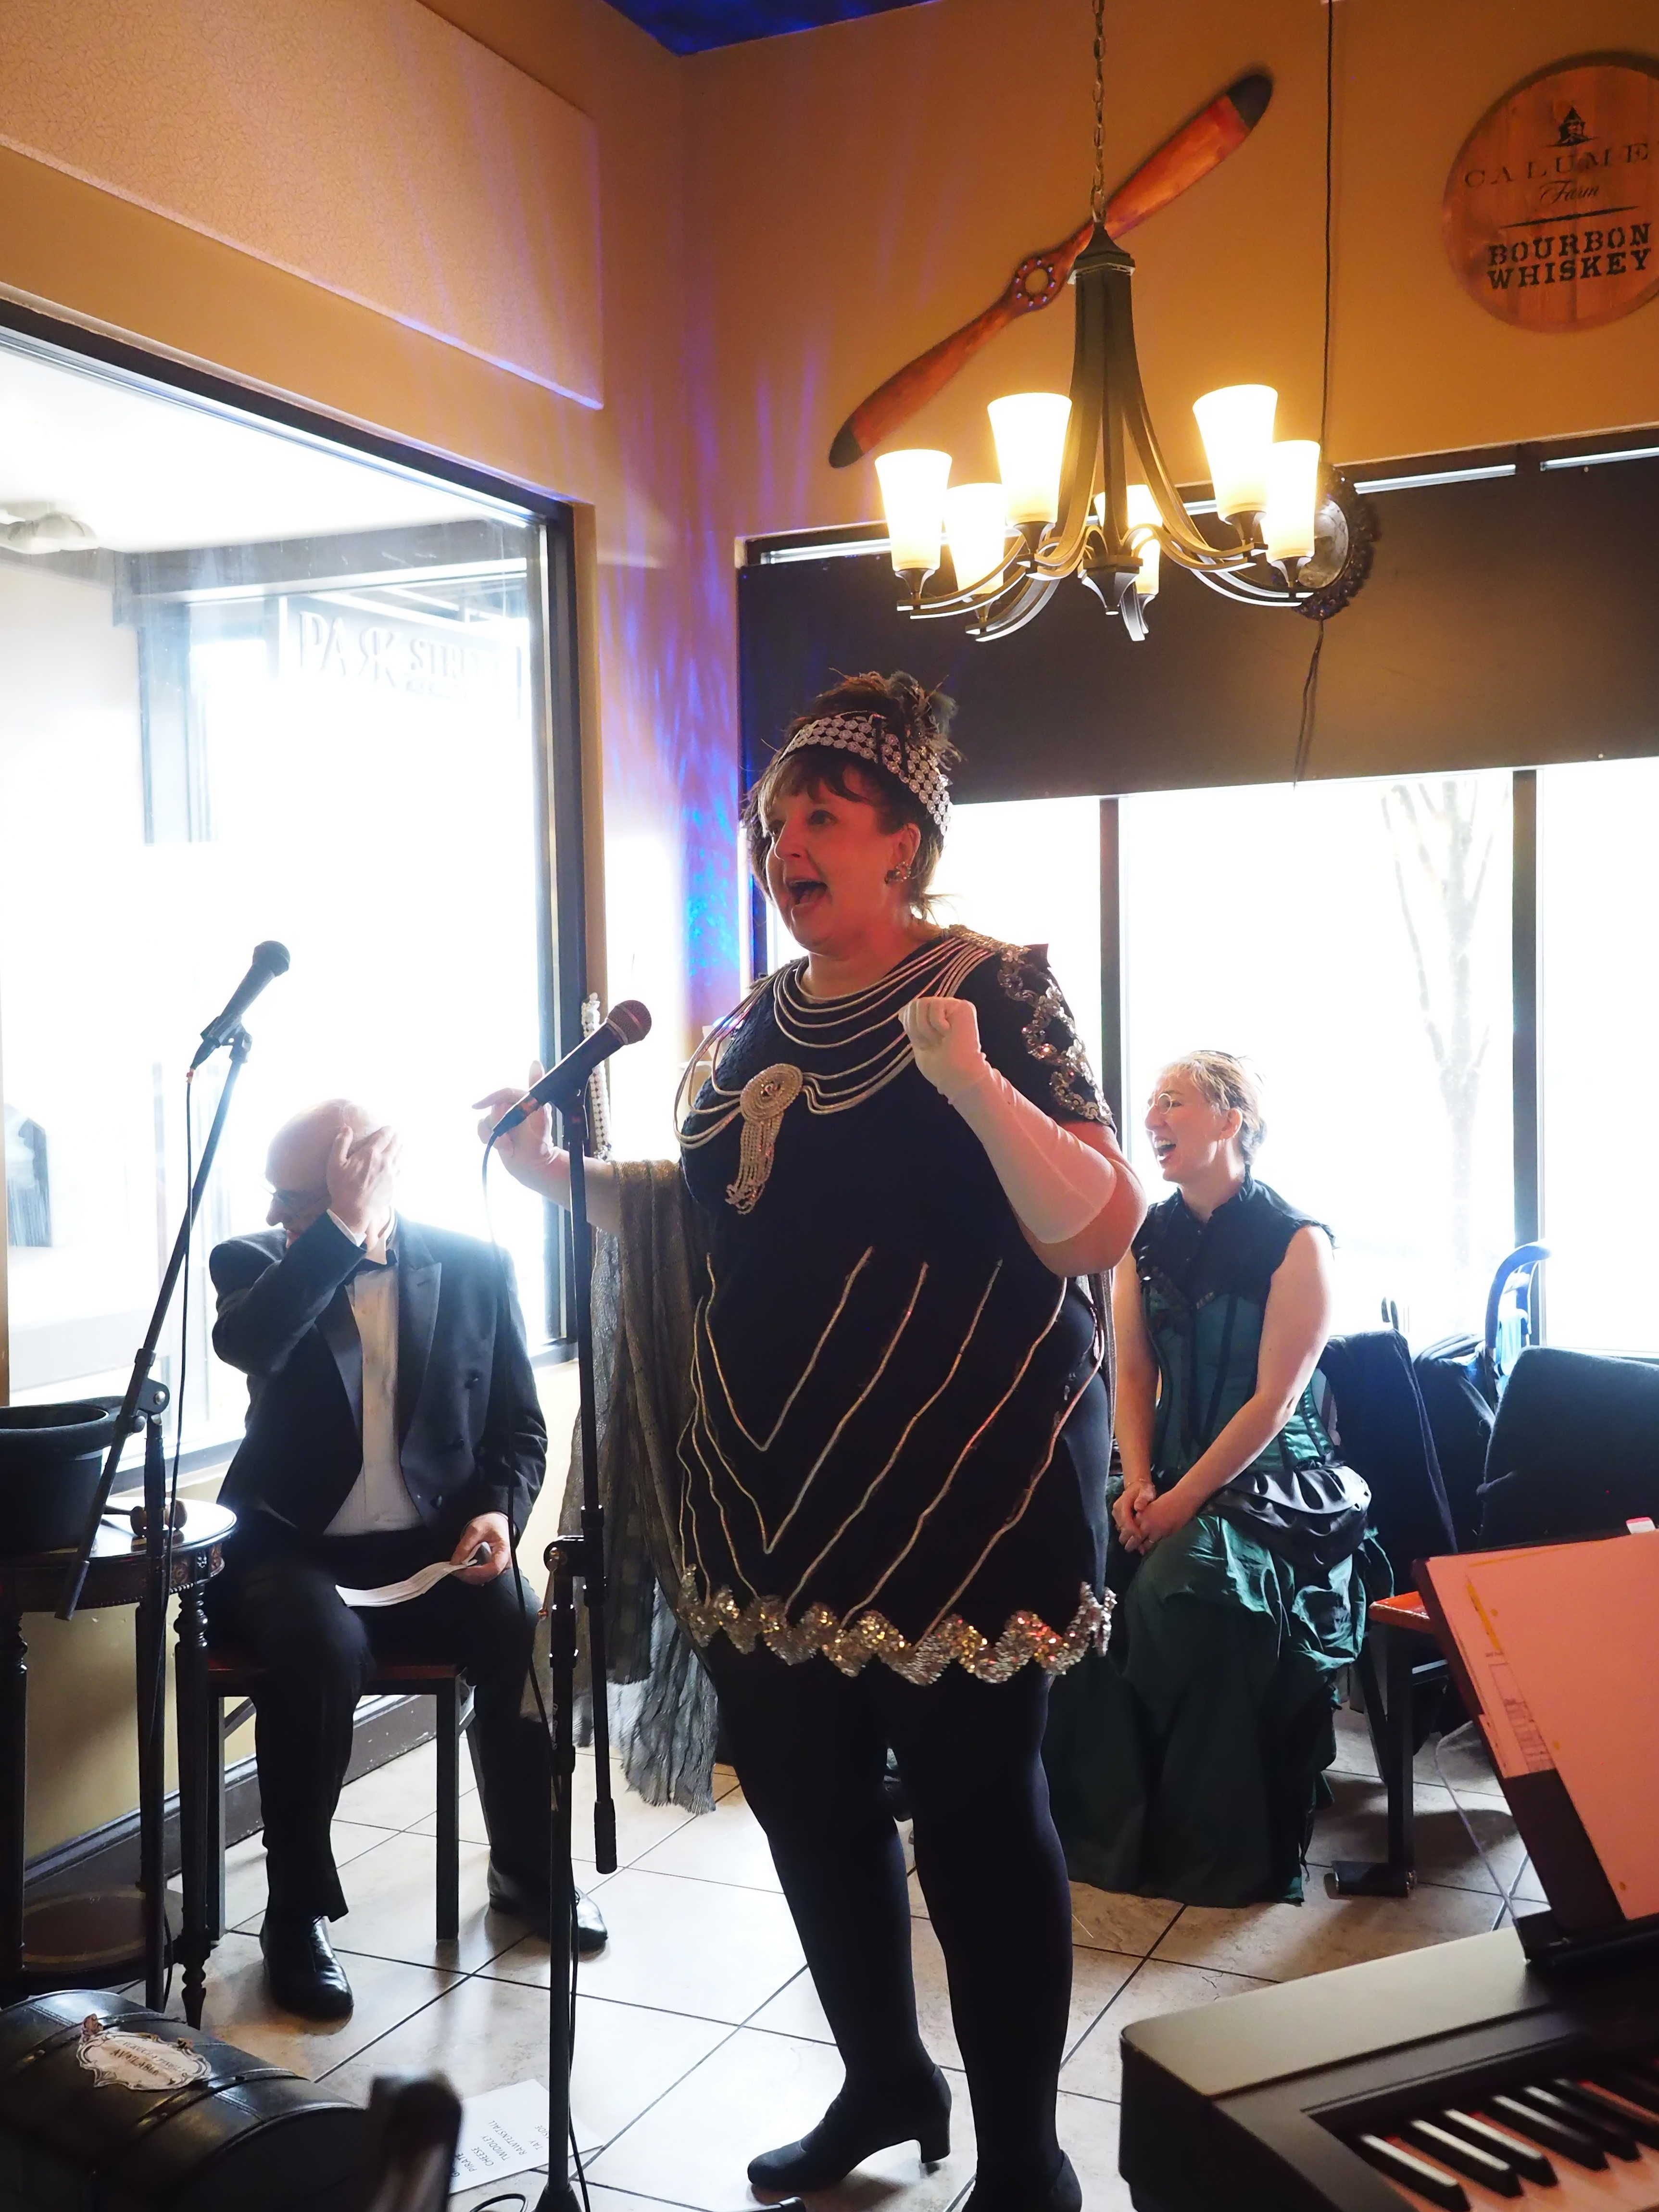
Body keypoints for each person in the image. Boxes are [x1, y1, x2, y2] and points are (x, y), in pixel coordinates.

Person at [477, 672, 1143, 2212]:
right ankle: (881, 2073)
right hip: (765, 1489)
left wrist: (970, 1077)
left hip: (961, 1495)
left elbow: (1096, 1224)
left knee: (978, 1823)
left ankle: (1025, 2153)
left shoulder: (997, 988)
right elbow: (700, 1217)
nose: (788, 846)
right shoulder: (745, 1023)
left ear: (904, 843)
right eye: (776, 824)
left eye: (824, 818)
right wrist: (552, 1174)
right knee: (804, 1799)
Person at [207, 1100, 606, 2021]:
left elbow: (517, 1430)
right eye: (274, 1195)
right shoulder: (255, 1263)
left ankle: (527, 1869)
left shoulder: (474, 1266)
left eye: (291, 1196)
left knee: (520, 1625)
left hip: (431, 1550)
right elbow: (249, 1343)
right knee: (318, 1651)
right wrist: (336, 1228)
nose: (272, 1212)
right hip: (292, 1546)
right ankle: (296, 1914)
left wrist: (499, 1515)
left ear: (363, 1175)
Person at [1043, 1052, 1382, 1907]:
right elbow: (1130, 1375)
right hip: (1164, 1473)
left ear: (1231, 1120)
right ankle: (1101, 1829)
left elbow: (1275, 1401)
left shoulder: (1296, 1241)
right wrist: (1137, 1482)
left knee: (1185, 1593)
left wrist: (1180, 1501)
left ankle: (1204, 1845)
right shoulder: (1143, 1237)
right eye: (1151, 1102)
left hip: (1277, 1483)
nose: (1151, 1117)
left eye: (1174, 1102)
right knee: (1078, 1578)